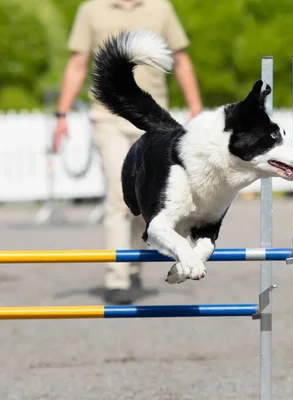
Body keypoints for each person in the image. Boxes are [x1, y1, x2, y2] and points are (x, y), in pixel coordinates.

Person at [53, 0, 204, 305]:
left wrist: (196, 107)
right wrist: (62, 114)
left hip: (152, 119)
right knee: (118, 198)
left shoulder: (161, 8)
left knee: (145, 202)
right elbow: (78, 63)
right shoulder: (90, 10)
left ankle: (133, 265)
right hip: (108, 118)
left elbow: (181, 59)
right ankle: (117, 277)